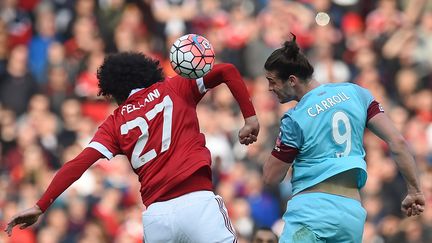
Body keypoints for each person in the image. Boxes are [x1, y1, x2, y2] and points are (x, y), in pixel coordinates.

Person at [5, 52, 260, 242]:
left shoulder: (114, 123)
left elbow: (78, 164)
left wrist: (41, 205)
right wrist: (250, 118)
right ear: (148, 73)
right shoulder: (174, 87)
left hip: (157, 218)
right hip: (197, 202)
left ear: (112, 90)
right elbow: (226, 70)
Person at [262, 34, 425, 243]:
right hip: (352, 214)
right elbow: (398, 142)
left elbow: (271, 177)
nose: (269, 88)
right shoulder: (356, 93)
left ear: (292, 80)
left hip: (312, 213)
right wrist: (414, 190)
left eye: (272, 81)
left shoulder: (295, 118)